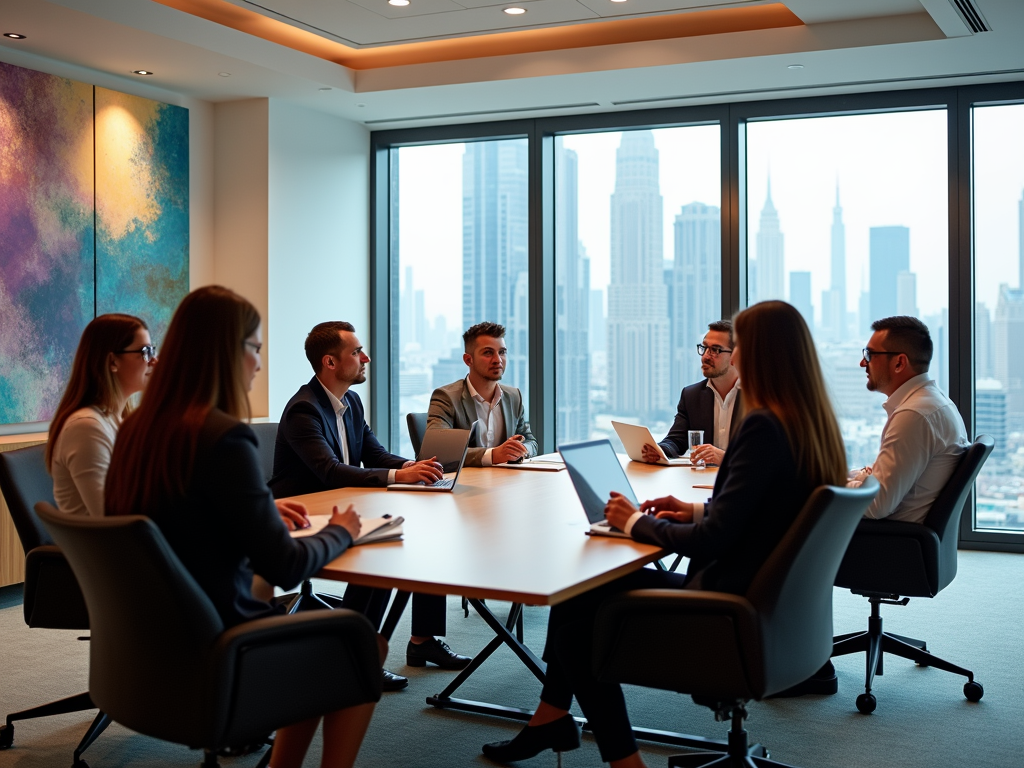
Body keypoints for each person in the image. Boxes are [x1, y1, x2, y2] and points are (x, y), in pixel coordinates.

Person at [481, 301, 847, 768]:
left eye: (743, 348)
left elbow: (712, 542)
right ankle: (550, 719)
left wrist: (632, 522)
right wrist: (690, 508)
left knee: (577, 617)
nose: (736, 358)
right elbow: (766, 513)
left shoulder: (763, 425)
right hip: (770, 604)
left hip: (728, 607)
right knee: (579, 597)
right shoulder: (812, 426)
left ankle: (619, 758)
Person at [105, 286, 375, 768]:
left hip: (145, 648)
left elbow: (179, 513)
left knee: (335, 637)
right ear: (227, 352)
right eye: (255, 349)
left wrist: (260, 512)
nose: (258, 364)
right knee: (359, 637)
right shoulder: (224, 436)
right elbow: (286, 566)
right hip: (221, 645)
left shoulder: (136, 428)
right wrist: (343, 532)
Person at [271, 321, 471, 689]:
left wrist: (410, 466)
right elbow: (329, 471)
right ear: (330, 362)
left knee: (419, 529)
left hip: (346, 504)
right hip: (304, 512)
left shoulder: (351, 400)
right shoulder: (304, 409)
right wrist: (398, 478)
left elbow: (373, 453)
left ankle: (410, 642)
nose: (365, 358)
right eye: (356, 353)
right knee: (383, 552)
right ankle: (353, 656)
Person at [853, 315, 969, 523]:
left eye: (870, 354)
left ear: (899, 362)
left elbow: (877, 505)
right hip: (902, 536)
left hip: (887, 539)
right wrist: (859, 478)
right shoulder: (933, 402)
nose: (863, 362)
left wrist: (833, 484)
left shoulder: (914, 415)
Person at [47, 314, 156, 517]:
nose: (154, 360)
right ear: (113, 361)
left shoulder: (118, 419)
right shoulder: (86, 427)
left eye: (152, 350)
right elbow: (112, 518)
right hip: (110, 547)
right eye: (145, 352)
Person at [427, 321, 538, 466]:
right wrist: (493, 455)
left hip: (503, 481)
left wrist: (520, 449)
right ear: (468, 360)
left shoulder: (513, 396)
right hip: (464, 484)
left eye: (502, 352)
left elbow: (531, 441)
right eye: (488, 353)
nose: (498, 360)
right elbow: (438, 450)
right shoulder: (446, 397)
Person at [642, 320, 741, 467]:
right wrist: (659, 450)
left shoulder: (759, 398)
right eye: (704, 348)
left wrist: (724, 457)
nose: (705, 357)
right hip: (701, 482)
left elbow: (769, 457)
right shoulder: (691, 395)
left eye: (715, 350)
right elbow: (676, 440)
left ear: (735, 355)